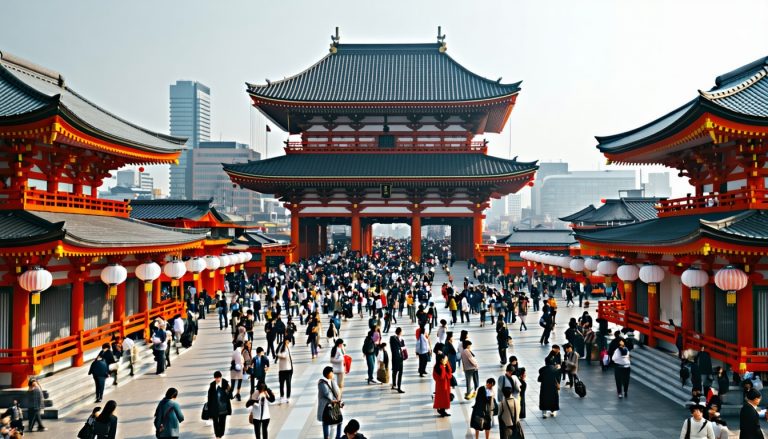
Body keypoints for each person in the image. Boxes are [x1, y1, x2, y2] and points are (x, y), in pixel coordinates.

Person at [318, 366, 344, 439]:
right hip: (326, 406)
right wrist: (336, 400)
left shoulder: (332, 380)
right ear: (328, 373)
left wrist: (338, 400)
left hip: (334, 404)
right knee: (326, 422)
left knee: (339, 421)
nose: (333, 373)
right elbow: (327, 394)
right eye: (331, 372)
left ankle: (337, 437)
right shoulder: (321, 383)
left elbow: (337, 391)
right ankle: (326, 437)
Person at [207, 371, 232, 439]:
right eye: (216, 378)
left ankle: (220, 434)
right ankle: (217, 436)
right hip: (215, 407)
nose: (217, 379)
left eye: (219, 378)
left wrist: (227, 392)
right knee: (215, 422)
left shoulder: (225, 383)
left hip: (223, 407)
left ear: (221, 377)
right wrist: (209, 410)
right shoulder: (212, 385)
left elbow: (231, 395)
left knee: (222, 422)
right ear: (214, 378)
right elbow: (209, 397)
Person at [276, 338, 294, 403]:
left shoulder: (288, 347)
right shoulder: (282, 347)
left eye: (288, 341)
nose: (288, 342)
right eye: (287, 341)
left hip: (288, 369)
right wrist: (283, 355)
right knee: (281, 384)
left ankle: (288, 397)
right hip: (282, 369)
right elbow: (279, 354)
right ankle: (282, 396)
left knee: (288, 384)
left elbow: (288, 357)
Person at [389, 328, 405, 393]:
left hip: (395, 358)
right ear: (400, 332)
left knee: (395, 371)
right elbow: (402, 347)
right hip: (399, 358)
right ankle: (399, 387)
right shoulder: (396, 339)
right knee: (400, 372)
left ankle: (394, 384)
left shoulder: (393, 338)